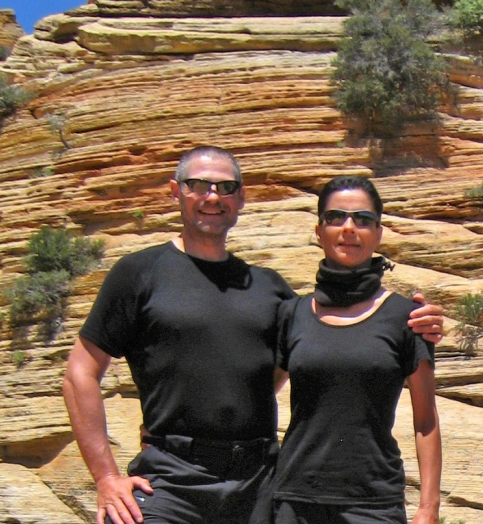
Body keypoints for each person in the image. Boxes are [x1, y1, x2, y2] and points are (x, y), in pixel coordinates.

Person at [63, 147, 444, 524]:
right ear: (175, 191)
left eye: (226, 187)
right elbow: (80, 373)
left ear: (241, 199)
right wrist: (107, 477)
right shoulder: (139, 273)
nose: (213, 197)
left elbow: (329, 338)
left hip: (260, 484)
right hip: (169, 479)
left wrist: (417, 323)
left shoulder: (270, 290)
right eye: (199, 185)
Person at [269, 176, 440, 524]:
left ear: (378, 233)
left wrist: (428, 508)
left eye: (363, 219)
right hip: (295, 500)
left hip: (372, 502)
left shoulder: (407, 318)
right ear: (319, 231)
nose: (349, 228)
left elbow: (426, 421)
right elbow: (259, 397)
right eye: (336, 218)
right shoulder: (293, 314)